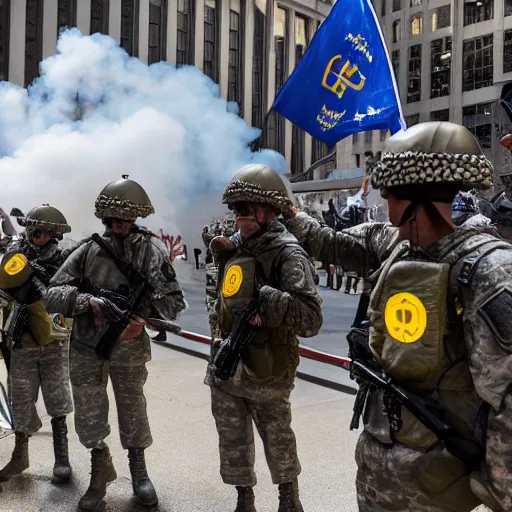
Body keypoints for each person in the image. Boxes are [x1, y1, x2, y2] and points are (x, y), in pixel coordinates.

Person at [284, 122, 512, 512]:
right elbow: (335, 244)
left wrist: (497, 492)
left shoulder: (489, 269)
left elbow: (506, 399)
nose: (387, 214)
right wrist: (291, 215)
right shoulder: (400, 246)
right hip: (380, 470)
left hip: (439, 484)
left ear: (419, 198)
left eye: (390, 197)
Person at [45, 176, 186, 511]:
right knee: (90, 416)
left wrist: (141, 319)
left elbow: (174, 303)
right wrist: (86, 302)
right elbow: (51, 294)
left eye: (127, 219)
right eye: (116, 219)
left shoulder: (151, 252)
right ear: (106, 218)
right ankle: (99, 470)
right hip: (87, 348)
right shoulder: (87, 251)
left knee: (133, 410)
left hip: (129, 348)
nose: (122, 225)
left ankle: (139, 472)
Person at [205, 164, 323, 512]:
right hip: (228, 363)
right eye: (236, 209)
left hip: (269, 368)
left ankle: (289, 498)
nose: (238, 217)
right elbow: (218, 300)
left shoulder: (288, 253)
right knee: (232, 438)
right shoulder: (232, 250)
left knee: (277, 437)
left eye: (246, 209)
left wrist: (270, 303)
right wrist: (218, 335)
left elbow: (311, 318)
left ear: (268, 212)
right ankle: (244, 498)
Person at [0, 205, 74, 484]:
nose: (35, 235)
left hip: (53, 339)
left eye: (41, 231)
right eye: (32, 229)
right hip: (22, 339)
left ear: (53, 233)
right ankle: (20, 456)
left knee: (57, 400)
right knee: (20, 399)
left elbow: (70, 293)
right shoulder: (18, 253)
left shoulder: (64, 258)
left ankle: (62, 459)